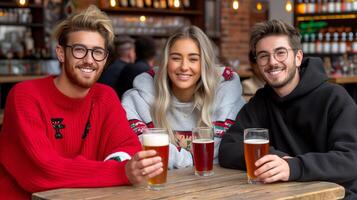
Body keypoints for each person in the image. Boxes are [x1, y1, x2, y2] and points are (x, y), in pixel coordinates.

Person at [0, 6, 163, 199]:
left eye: (97, 52)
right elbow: (42, 172)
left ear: (105, 59)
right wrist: (119, 171)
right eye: (79, 50)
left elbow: (129, 149)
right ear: (61, 53)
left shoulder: (105, 97)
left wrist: (118, 164)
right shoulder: (25, 95)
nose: (89, 60)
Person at [218, 19, 357, 199]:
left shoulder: (334, 98)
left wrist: (294, 167)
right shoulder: (261, 101)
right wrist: (277, 160)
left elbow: (351, 159)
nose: (272, 62)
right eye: (263, 55)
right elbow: (228, 149)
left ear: (298, 57)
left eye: (280, 53)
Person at [122, 26, 246, 169]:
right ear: (166, 62)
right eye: (176, 58)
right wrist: (192, 159)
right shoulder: (138, 98)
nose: (184, 66)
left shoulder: (227, 97)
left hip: (214, 185)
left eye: (193, 59)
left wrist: (172, 157)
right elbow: (137, 146)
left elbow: (226, 150)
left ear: (204, 64)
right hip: (158, 185)